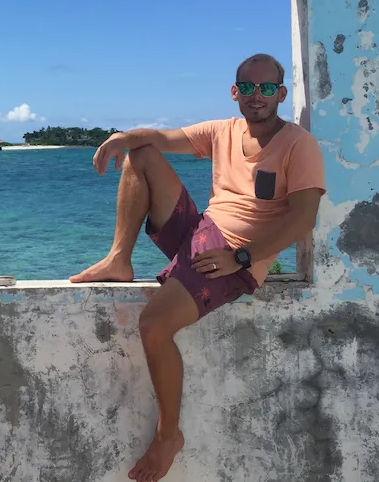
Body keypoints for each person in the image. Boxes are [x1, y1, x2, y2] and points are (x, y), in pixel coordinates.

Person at [70, 53, 325, 482]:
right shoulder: (222, 131)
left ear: (281, 93)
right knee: (142, 153)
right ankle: (119, 259)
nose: (256, 96)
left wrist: (240, 258)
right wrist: (121, 136)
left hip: (234, 256)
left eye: (266, 89)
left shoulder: (299, 144)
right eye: (247, 87)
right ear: (235, 92)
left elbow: (302, 220)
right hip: (203, 232)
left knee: (154, 324)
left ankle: (169, 435)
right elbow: (161, 137)